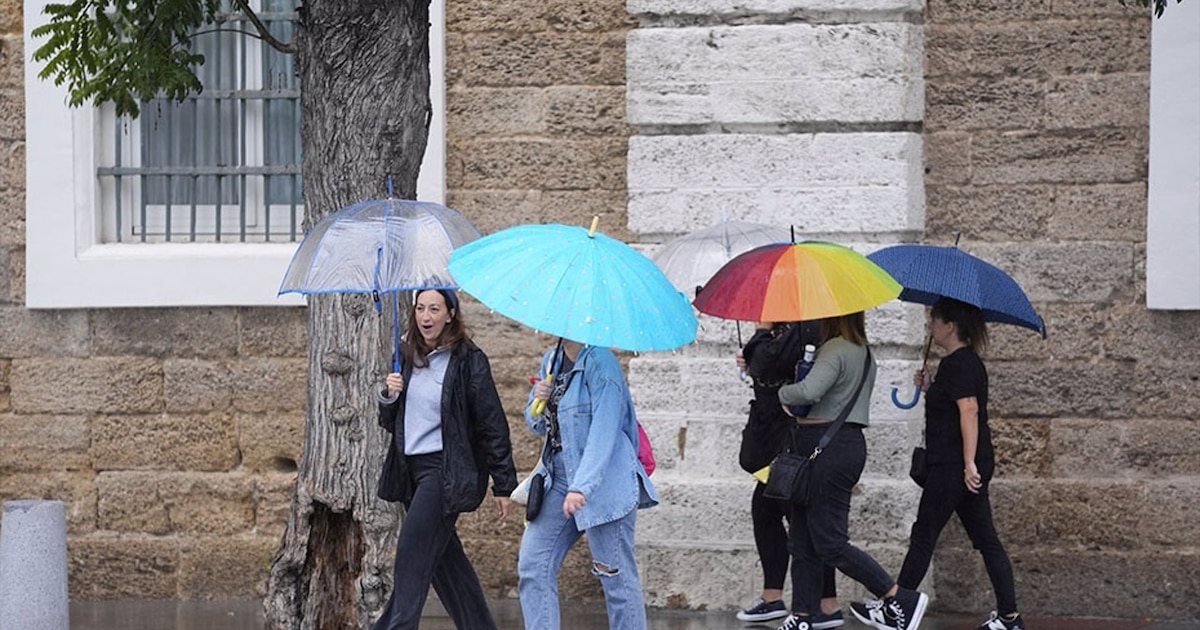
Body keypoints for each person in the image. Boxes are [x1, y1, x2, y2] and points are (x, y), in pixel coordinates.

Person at [849, 298, 1025, 630]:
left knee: (924, 534)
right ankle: (1009, 617)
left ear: (950, 325)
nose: (930, 325)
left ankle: (899, 608)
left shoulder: (958, 364)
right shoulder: (964, 363)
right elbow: (954, 407)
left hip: (952, 467)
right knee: (985, 539)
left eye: (934, 320)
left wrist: (968, 463)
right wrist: (931, 388)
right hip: (961, 466)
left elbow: (969, 410)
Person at [374, 288, 518, 630]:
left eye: (434, 309)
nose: (426, 316)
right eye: (421, 308)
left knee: (411, 558)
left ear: (450, 314)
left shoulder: (468, 359)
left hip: (445, 472)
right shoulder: (406, 354)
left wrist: (504, 483)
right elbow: (390, 423)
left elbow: (491, 422)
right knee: (446, 565)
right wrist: (389, 397)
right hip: (412, 472)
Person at [775, 312, 929, 630]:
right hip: (839, 445)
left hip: (825, 448)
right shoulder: (863, 351)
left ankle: (898, 597)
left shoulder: (835, 349)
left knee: (830, 542)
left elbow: (807, 392)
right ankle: (801, 616)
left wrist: (782, 392)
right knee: (802, 539)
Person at [518, 338, 658, 630]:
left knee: (615, 578)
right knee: (534, 566)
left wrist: (583, 487)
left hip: (604, 481)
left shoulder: (602, 364)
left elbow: (604, 430)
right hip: (558, 479)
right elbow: (537, 426)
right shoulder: (551, 361)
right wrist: (537, 399)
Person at [736, 321, 844, 628]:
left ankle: (824, 605)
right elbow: (764, 364)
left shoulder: (805, 326)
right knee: (767, 510)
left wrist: (759, 336)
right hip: (774, 441)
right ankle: (778, 598)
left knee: (802, 518)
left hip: (791, 440)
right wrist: (752, 353)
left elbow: (768, 361)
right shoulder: (785, 331)